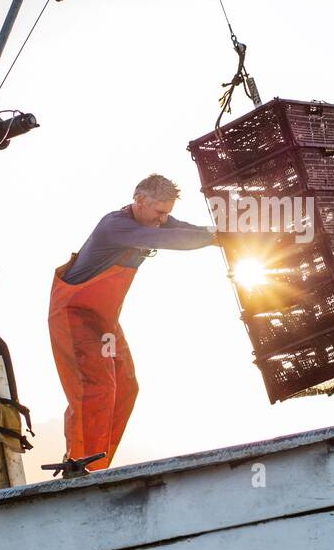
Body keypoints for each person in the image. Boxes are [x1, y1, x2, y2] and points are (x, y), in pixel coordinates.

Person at [49, 174, 216, 475]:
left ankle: (97, 466)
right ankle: (77, 465)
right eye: (159, 213)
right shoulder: (115, 226)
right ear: (140, 201)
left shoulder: (154, 221)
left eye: (167, 213)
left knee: (127, 386)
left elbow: (183, 230)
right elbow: (167, 239)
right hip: (74, 315)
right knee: (96, 387)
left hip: (104, 321)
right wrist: (215, 237)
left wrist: (223, 232)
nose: (162, 220)